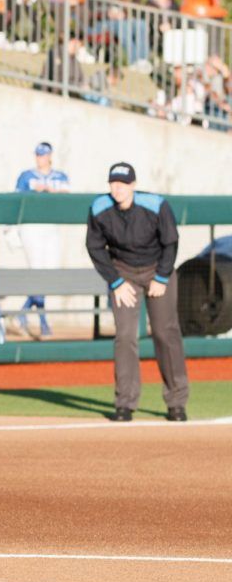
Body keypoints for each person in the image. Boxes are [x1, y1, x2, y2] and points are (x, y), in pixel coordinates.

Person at [86, 162, 188, 422]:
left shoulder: (155, 205)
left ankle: (176, 402)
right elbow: (95, 247)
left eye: (122, 183)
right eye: (113, 183)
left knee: (166, 333)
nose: (117, 188)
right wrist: (116, 282)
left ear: (133, 185)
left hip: (157, 269)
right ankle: (125, 403)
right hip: (123, 273)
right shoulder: (100, 208)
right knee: (125, 336)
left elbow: (170, 242)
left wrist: (162, 277)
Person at [12, 142, 70, 339]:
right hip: (32, 226)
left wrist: (53, 193)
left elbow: (68, 197)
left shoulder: (60, 176)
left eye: (43, 155)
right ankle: (43, 322)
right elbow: (16, 199)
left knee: (49, 274)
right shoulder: (27, 176)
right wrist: (34, 191)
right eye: (38, 154)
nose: (40, 158)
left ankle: (22, 313)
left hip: (51, 226)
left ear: (50, 155)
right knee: (38, 272)